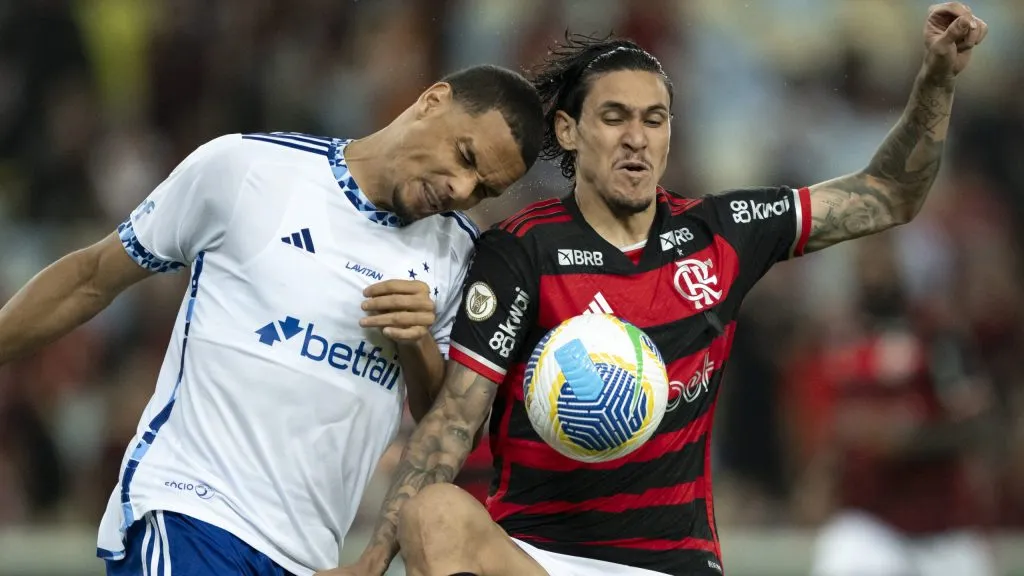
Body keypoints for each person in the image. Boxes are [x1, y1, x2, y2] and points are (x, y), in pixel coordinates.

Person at [338, 3, 989, 576]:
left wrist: (935, 80)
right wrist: (371, 564)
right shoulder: (521, 253)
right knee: (434, 513)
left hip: (671, 563)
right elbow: (453, 421)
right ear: (568, 130)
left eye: (655, 119)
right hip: (537, 556)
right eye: (614, 116)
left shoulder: (723, 232)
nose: (636, 138)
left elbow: (887, 195)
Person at [0, 64, 544, 576]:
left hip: (311, 556)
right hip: (191, 513)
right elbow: (92, 276)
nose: (461, 190)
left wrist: (415, 342)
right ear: (433, 101)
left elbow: (440, 423)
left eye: (485, 189)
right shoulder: (247, 170)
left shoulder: (460, 255)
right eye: (466, 157)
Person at [805, 234, 996, 576]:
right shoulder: (840, 335)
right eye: (865, 257)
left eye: (883, 254)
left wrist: (913, 438)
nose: (874, 268)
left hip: (940, 525)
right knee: (841, 557)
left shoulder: (935, 332)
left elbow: (980, 424)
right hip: (869, 524)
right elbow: (832, 428)